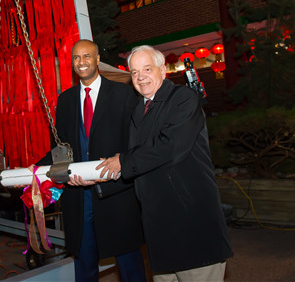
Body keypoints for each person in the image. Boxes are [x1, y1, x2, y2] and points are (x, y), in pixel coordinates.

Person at [97, 45, 233, 282]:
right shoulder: (138, 110)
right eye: (135, 72)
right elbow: (138, 163)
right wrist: (100, 175)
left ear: (163, 70)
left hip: (192, 225)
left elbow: (169, 148)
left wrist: (123, 162)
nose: (141, 77)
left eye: (147, 69)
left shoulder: (183, 98)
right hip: (159, 231)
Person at [36, 39, 146, 282]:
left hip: (116, 192)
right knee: (84, 265)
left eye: (87, 56)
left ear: (97, 60)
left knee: (130, 264)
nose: (81, 62)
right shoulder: (65, 100)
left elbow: (137, 142)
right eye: (76, 57)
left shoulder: (123, 94)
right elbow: (60, 147)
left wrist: (123, 162)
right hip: (78, 196)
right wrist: (34, 171)